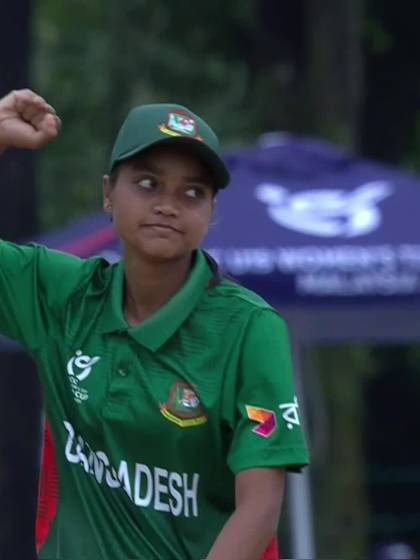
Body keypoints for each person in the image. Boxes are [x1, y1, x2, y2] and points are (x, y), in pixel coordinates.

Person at [0, 89, 309, 560]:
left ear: (211, 213)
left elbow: (260, 506)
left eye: (193, 192)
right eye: (147, 183)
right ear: (108, 193)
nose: (168, 204)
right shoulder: (62, 294)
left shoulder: (249, 328)